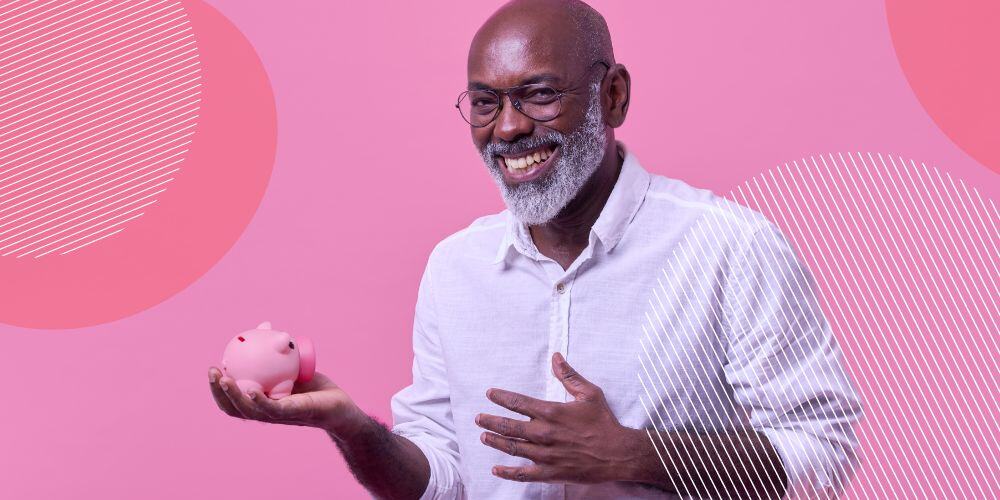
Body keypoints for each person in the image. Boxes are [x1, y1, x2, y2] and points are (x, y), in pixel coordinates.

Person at [208, 0, 863, 498]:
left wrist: (637, 455)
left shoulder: (730, 248)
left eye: (540, 94)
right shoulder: (455, 270)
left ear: (613, 96)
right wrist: (351, 426)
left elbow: (822, 453)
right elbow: (444, 478)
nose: (510, 127)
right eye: (487, 103)